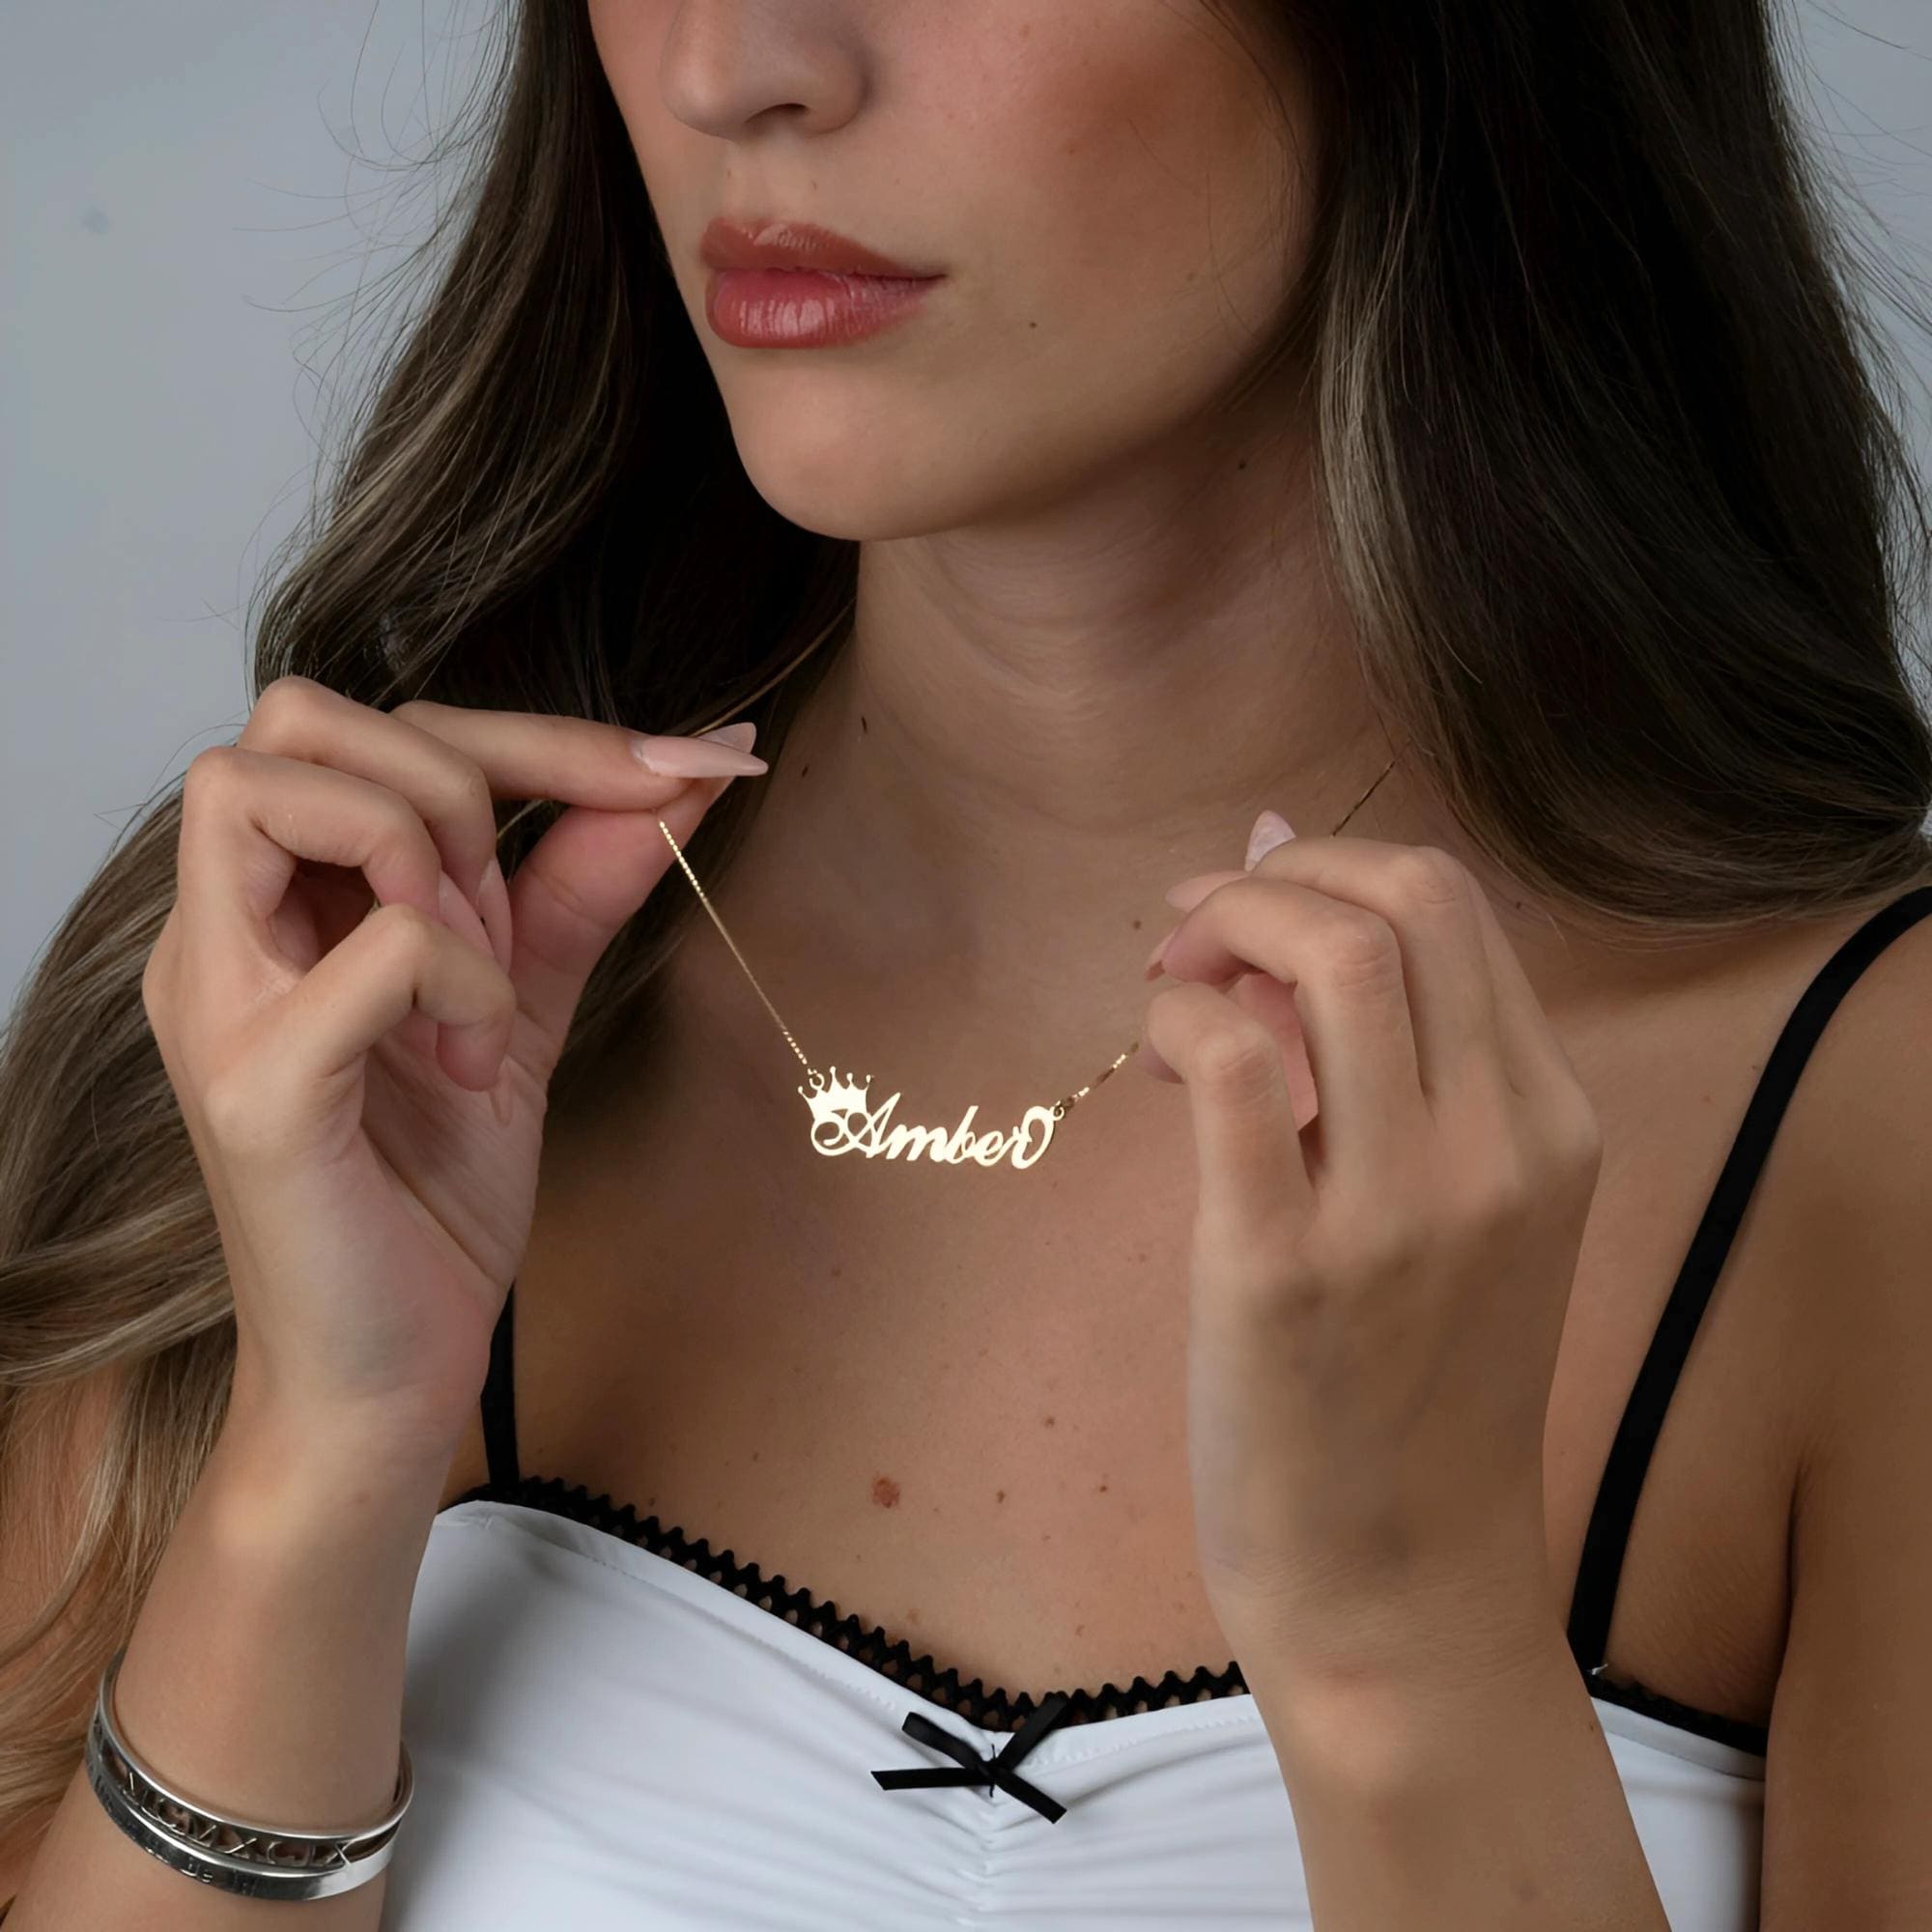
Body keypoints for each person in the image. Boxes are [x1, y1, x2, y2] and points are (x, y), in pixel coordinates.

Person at [4, 1, 1931, 1925]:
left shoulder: (1875, 1135)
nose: (732, 66)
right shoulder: (334, 989)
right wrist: (317, 1469)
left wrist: (1408, 1657)